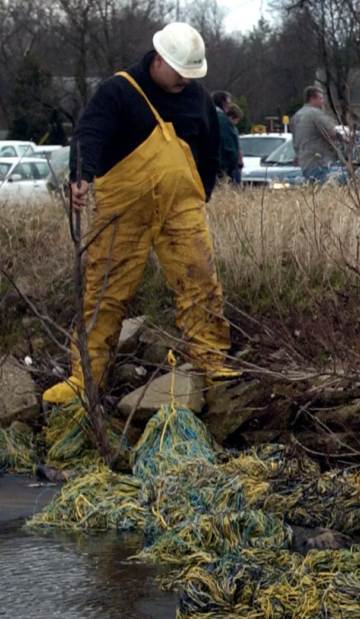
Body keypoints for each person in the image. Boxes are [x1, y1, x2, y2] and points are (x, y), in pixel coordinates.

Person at [43, 21, 235, 405]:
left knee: (200, 284)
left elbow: (211, 148)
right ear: (159, 59)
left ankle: (211, 365)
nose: (185, 81)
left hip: (182, 210)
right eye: (180, 73)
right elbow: (90, 133)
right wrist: (81, 176)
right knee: (105, 294)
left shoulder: (196, 97)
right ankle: (87, 378)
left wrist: (203, 192)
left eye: (191, 75)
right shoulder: (119, 91)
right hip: (122, 213)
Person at [291, 85, 340, 183]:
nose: (323, 102)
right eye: (320, 98)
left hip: (304, 163)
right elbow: (331, 133)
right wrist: (344, 140)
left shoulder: (296, 116)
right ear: (312, 98)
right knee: (323, 190)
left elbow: (295, 142)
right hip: (319, 162)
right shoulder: (316, 114)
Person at [213, 90, 240, 184]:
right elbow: (229, 143)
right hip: (222, 166)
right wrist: (234, 163)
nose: (230, 105)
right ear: (223, 103)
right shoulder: (223, 120)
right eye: (228, 102)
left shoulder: (207, 115)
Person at [226, 103, 244, 184]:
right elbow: (238, 148)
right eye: (237, 120)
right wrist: (240, 163)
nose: (236, 122)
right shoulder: (232, 130)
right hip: (234, 164)